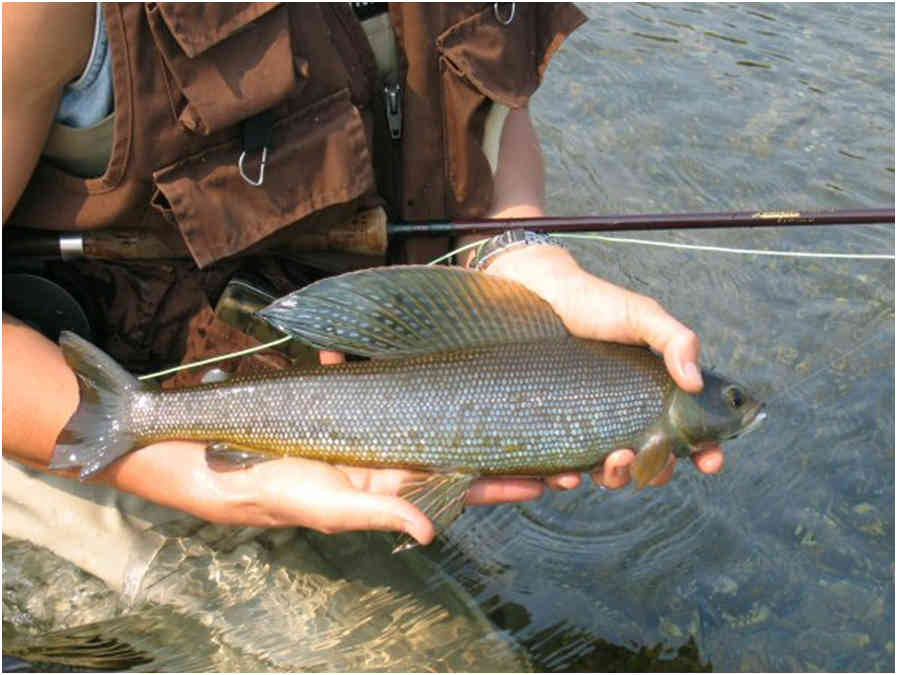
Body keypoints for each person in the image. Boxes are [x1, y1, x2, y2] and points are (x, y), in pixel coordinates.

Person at [2, 3, 724, 562]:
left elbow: (495, 118)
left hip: (321, 416)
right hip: (62, 420)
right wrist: (179, 472)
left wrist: (514, 250)